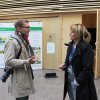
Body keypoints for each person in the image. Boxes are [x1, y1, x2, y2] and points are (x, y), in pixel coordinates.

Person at [59, 24, 98, 100]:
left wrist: (77, 82)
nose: (69, 33)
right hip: (70, 79)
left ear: (78, 34)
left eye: (72, 32)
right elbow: (70, 62)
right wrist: (64, 66)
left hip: (80, 81)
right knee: (73, 97)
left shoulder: (86, 48)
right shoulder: (71, 46)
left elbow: (87, 69)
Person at [4, 19, 38, 100]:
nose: (29, 29)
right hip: (19, 79)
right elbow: (8, 61)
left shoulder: (23, 40)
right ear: (19, 29)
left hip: (25, 77)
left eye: (29, 27)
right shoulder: (13, 41)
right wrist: (27, 61)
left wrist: (30, 60)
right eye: (27, 27)